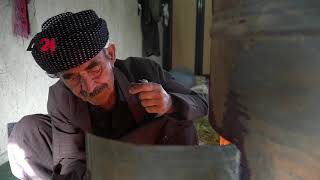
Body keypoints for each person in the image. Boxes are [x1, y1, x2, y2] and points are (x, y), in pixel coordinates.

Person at [7, 9, 208, 180]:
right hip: (94, 160)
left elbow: (202, 103)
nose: (89, 86)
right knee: (26, 133)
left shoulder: (143, 70)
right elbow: (70, 158)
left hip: (144, 154)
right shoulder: (61, 96)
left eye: (94, 69)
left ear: (111, 55)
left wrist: (170, 103)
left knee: (179, 118)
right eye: (72, 78)